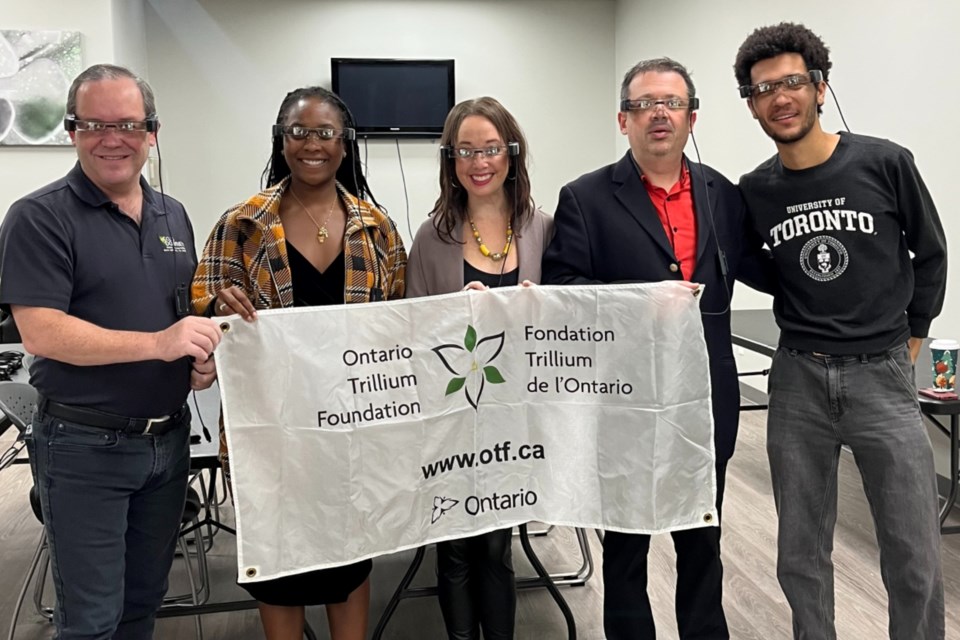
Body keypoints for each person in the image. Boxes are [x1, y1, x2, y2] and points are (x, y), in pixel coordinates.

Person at [542, 58, 772, 639]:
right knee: (626, 547)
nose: (659, 114)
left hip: (707, 396)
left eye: (672, 103)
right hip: (623, 398)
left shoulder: (725, 194)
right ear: (624, 120)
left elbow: (757, 268)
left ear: (692, 117)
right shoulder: (585, 197)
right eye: (645, 104)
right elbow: (563, 290)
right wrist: (639, 303)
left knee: (703, 539)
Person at [734, 22, 947, 640]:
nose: (780, 96)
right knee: (800, 555)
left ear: (820, 87)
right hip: (798, 378)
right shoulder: (756, 190)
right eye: (763, 88)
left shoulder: (884, 162)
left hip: (882, 375)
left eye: (793, 81)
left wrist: (914, 332)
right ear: (751, 105)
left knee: (913, 554)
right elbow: (760, 266)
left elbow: (930, 252)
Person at [0, 64, 222, 640]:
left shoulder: (173, 215)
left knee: (143, 603)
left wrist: (198, 355)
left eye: (127, 123)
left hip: (166, 445)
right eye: (94, 124)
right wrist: (158, 343)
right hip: (84, 450)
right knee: (92, 620)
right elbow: (42, 332)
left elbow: (177, 315)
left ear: (152, 131)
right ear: (72, 131)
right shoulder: (38, 217)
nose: (112, 138)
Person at [191, 86, 406, 640]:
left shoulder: (375, 228)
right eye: (299, 132)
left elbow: (401, 323)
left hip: (351, 428)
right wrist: (219, 308)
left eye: (326, 133)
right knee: (278, 561)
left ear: (346, 143)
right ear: (281, 141)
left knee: (351, 553)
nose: (313, 144)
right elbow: (199, 308)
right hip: (271, 432)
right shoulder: (242, 224)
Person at [406, 96, 553, 640]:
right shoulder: (432, 236)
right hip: (452, 423)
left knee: (496, 549)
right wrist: (452, 315)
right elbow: (413, 333)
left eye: (490, 148)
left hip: (516, 422)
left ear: (511, 154)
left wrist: (542, 306)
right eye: (465, 150)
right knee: (456, 553)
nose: (478, 161)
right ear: (451, 160)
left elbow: (567, 323)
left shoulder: (542, 228)